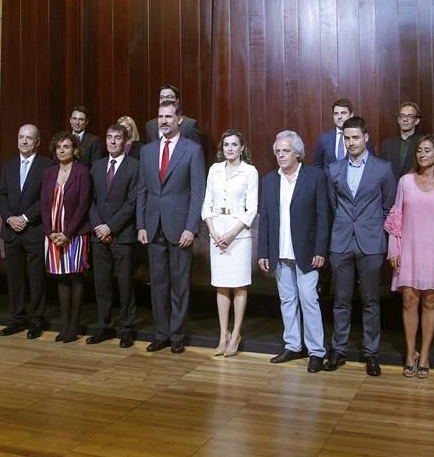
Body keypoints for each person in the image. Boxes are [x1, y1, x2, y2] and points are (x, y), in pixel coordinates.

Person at [384, 134, 434, 378]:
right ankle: (411, 353)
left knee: (430, 301)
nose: (422, 154)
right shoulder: (405, 182)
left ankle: (426, 353)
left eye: (427, 150)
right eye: (419, 150)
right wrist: (393, 249)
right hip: (409, 249)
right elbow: (396, 218)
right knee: (409, 300)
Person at [324, 117, 396, 374]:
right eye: (347, 138)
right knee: (341, 300)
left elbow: (389, 206)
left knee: (370, 301)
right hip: (341, 242)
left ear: (366, 137)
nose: (351, 142)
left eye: (355, 137)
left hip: (371, 242)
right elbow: (334, 206)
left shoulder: (383, 168)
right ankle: (339, 349)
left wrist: (376, 231)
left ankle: (371, 353)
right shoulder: (334, 169)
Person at [137, 99, 206, 354]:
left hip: (180, 228)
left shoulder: (193, 150)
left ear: (179, 119)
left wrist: (191, 227)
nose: (163, 121)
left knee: (179, 284)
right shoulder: (147, 150)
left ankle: (177, 334)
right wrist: (141, 224)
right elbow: (142, 189)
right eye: (160, 116)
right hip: (153, 226)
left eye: (168, 116)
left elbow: (198, 192)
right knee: (158, 284)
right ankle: (161, 334)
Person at [258, 131, 330, 373]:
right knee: (287, 300)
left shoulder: (315, 176)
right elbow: (265, 218)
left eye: (285, 150)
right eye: (277, 151)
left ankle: (316, 351)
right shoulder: (269, 180)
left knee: (309, 299)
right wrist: (263, 252)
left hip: (307, 252)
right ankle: (292, 345)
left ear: (297, 152)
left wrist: (321, 249)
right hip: (280, 254)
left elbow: (323, 216)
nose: (280, 155)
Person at [202, 129, 258, 357]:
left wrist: (233, 233)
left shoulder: (250, 172)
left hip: (238, 234)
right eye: (226, 145)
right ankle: (222, 335)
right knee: (221, 285)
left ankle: (236, 334)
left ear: (242, 147)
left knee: (238, 285)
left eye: (234, 145)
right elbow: (206, 204)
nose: (230, 149)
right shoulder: (214, 170)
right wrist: (214, 232)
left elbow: (252, 208)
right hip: (217, 232)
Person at [0, 124, 54, 340]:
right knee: (15, 278)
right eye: (21, 137)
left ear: (37, 142)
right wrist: (9, 218)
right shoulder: (9, 165)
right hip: (11, 231)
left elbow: (46, 198)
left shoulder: (47, 166)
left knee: (37, 277)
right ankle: (17, 318)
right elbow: (1, 194)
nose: (24, 141)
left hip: (33, 230)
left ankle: (37, 319)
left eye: (29, 138)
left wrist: (26, 218)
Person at [87, 124, 140, 348]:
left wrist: (111, 227)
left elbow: (132, 202)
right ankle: (104, 326)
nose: (112, 142)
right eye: (109, 137)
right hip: (99, 236)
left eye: (117, 138)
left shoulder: (134, 166)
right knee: (102, 284)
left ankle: (127, 327)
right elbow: (91, 201)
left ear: (125, 141)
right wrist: (99, 225)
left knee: (125, 284)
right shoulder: (97, 166)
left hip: (122, 236)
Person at [41, 132, 91, 343]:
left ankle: (74, 326)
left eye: (66, 147)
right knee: (61, 277)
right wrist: (50, 232)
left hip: (75, 233)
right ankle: (64, 323)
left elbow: (83, 205)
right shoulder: (48, 173)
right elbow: (43, 203)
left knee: (75, 277)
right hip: (53, 234)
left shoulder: (82, 172)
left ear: (75, 150)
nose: (62, 150)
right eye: (59, 147)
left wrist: (67, 233)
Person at [313, 98, 374, 170]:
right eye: (336, 114)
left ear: (351, 115)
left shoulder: (361, 137)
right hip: (328, 181)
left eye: (343, 113)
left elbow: (371, 162)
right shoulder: (324, 138)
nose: (339, 117)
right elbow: (317, 165)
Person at [380, 102, 422, 180]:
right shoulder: (387, 145)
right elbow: (381, 172)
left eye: (409, 116)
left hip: (415, 188)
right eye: (402, 116)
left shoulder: (422, 143)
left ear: (417, 121)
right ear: (398, 120)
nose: (405, 119)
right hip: (392, 189)